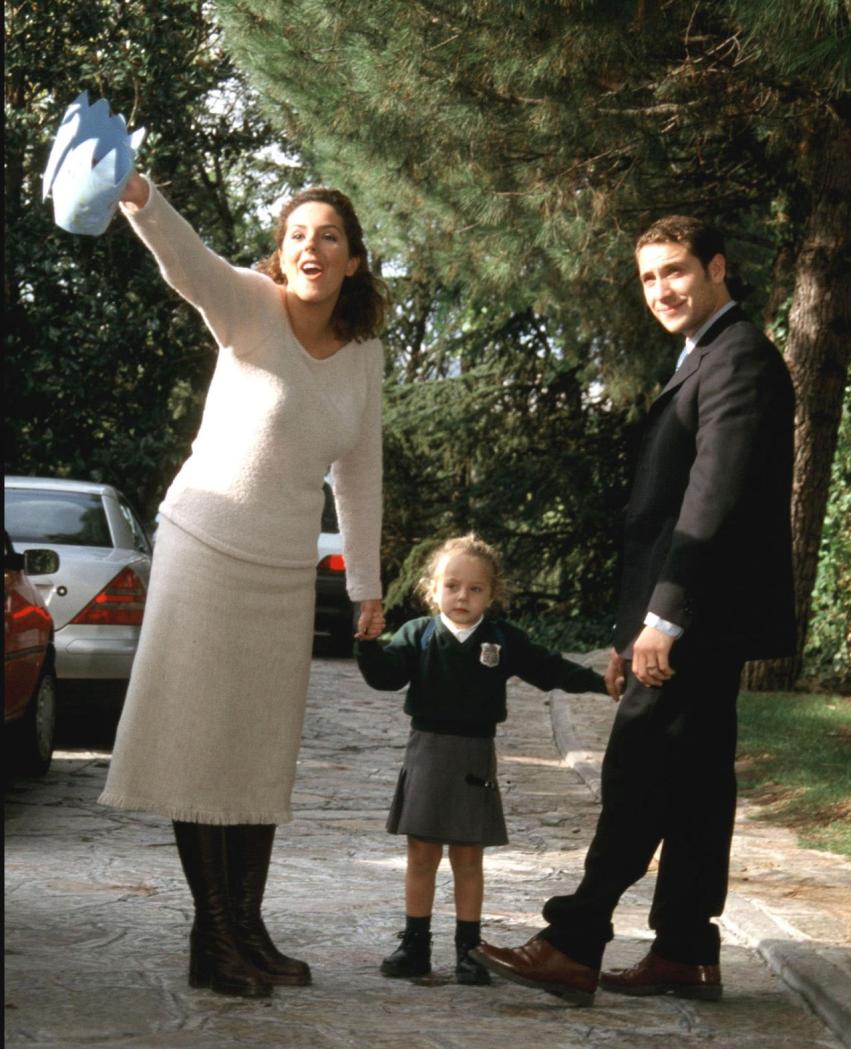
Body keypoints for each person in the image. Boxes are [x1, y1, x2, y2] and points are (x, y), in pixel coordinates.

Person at [472, 216, 796, 1006]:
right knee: (692, 789)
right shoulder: (702, 357)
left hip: (698, 619)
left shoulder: (738, 358)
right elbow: (664, 518)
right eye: (648, 277)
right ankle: (684, 952)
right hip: (683, 619)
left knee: (638, 774)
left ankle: (574, 941)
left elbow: (709, 502)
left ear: (717, 268)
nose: (661, 289)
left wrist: (665, 622)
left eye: (676, 270)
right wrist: (632, 630)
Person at [98, 169, 388, 998]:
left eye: (329, 236)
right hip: (206, 547)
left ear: (354, 261)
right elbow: (186, 263)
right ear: (280, 252)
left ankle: (248, 928)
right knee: (202, 742)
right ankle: (213, 934)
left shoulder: (362, 356)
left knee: (258, 755)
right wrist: (139, 193)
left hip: (283, 572)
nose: (312, 248)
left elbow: (359, 474)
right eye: (298, 234)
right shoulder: (248, 307)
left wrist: (365, 585)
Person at [356, 534, 611, 986]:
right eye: (452, 586)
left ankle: (468, 949)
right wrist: (368, 644)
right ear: (432, 589)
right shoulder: (418, 634)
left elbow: (550, 668)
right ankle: (415, 944)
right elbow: (385, 677)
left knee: (468, 855)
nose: (462, 596)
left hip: (475, 755)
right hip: (428, 751)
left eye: (475, 589)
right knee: (421, 852)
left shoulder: (501, 640)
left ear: (492, 596)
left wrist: (602, 684)